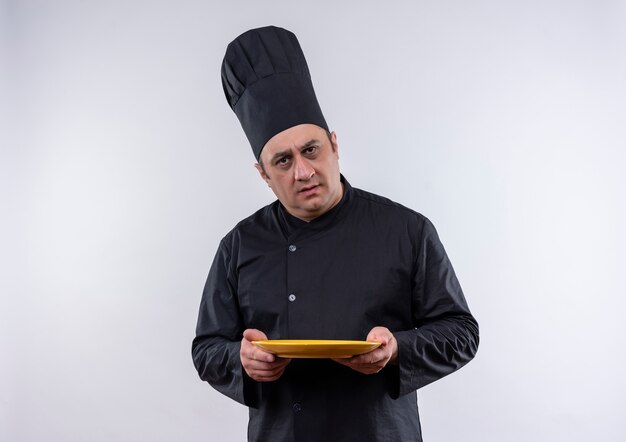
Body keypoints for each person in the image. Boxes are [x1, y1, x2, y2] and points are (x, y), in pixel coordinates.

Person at [192, 25, 479, 442]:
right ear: (263, 175)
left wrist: (397, 348)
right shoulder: (239, 245)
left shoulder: (406, 230)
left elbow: (461, 332)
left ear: (334, 145)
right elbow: (206, 349)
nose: (303, 171)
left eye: (311, 150)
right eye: (283, 161)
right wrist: (242, 360)